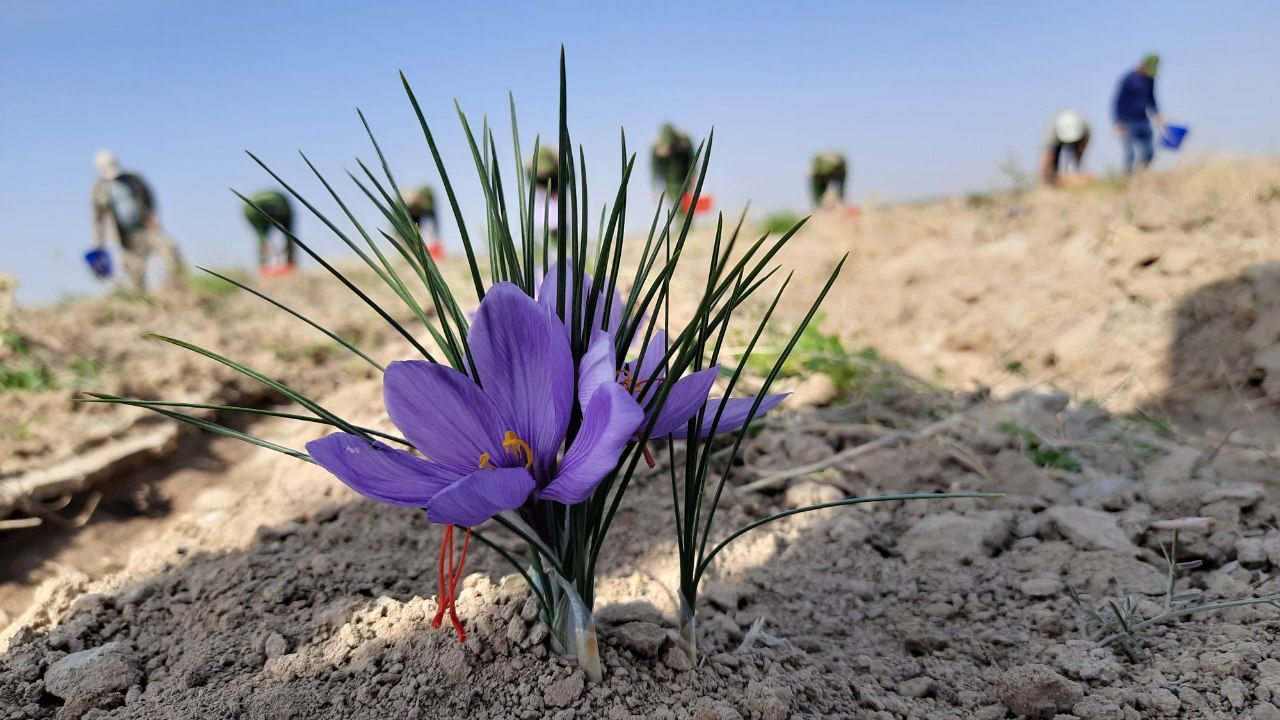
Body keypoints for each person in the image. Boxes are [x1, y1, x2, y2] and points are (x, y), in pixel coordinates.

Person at [90, 151, 183, 292]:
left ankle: (176, 290)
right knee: (135, 271)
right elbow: (98, 218)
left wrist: (152, 217)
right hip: (125, 237)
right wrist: (99, 243)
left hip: (146, 228)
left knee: (170, 250)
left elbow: (149, 197)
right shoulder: (98, 190)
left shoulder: (133, 179)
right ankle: (143, 300)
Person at [1113, 54, 1164, 174]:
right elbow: (1118, 101)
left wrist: (1158, 115)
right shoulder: (1128, 79)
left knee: (1149, 153)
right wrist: (1118, 123)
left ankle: (1140, 176)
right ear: (1143, 66)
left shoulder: (1150, 80)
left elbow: (1151, 99)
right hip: (1127, 121)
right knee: (1129, 154)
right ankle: (1127, 179)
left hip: (1143, 120)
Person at [242, 189, 296, 276]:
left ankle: (265, 268)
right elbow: (291, 236)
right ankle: (288, 266)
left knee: (262, 239)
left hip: (252, 208)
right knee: (265, 240)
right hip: (253, 209)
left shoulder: (284, 204)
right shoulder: (286, 207)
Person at [1039, 110, 1091, 186]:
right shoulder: (1051, 134)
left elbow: (1081, 149)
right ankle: (1049, 185)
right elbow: (1045, 159)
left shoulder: (1085, 130)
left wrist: (1075, 174)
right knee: (1050, 168)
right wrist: (1045, 178)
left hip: (1079, 139)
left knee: (1076, 164)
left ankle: (1075, 182)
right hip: (1057, 139)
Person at [651, 124, 694, 203]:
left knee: (687, 205)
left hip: (685, 179)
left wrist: (693, 175)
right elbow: (654, 169)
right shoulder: (657, 146)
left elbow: (692, 158)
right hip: (670, 184)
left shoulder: (684, 140)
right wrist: (655, 189)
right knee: (676, 205)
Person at [399, 185, 444, 260]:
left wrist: (436, 238)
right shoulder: (403, 212)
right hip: (409, 224)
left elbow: (433, 218)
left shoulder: (426, 196)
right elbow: (401, 230)